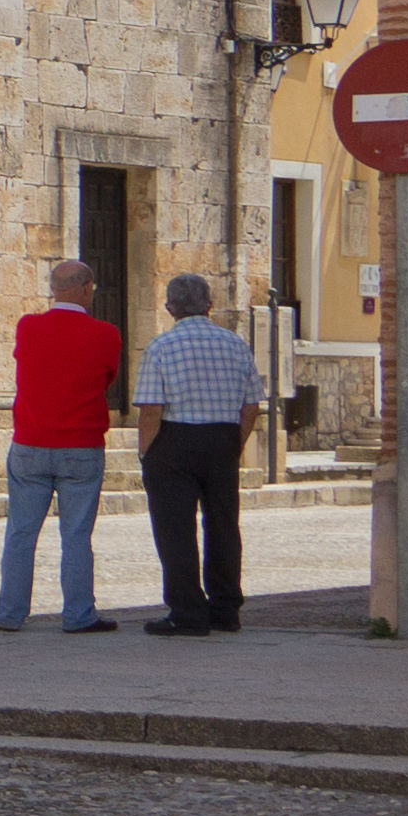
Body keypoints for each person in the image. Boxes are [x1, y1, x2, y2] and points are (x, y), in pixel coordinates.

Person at [0, 257, 125, 632]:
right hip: (81, 444)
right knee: (77, 534)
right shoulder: (106, 334)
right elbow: (107, 378)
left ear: (53, 289)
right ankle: (79, 613)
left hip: (31, 442)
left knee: (20, 533)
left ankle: (10, 613)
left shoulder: (29, 327)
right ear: (86, 288)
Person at [134, 270, 260, 634]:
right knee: (223, 524)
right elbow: (251, 404)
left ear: (170, 307)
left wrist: (147, 454)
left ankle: (188, 611)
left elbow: (151, 409)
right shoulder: (235, 344)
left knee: (176, 529)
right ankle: (225, 608)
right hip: (222, 438)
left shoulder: (161, 347)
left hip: (175, 440)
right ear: (210, 305)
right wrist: (235, 442)